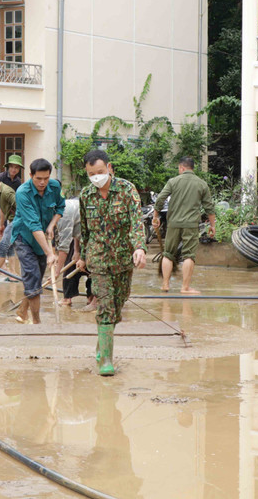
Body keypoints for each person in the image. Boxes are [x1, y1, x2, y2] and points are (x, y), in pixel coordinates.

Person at [76, 150, 147, 376]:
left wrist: (139, 248)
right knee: (105, 306)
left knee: (117, 306)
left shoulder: (127, 190)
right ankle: (106, 360)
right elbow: (85, 229)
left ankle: (101, 346)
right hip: (98, 260)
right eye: (91, 174)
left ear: (110, 168)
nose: (96, 177)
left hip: (124, 259)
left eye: (99, 172)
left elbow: (137, 222)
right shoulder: (86, 195)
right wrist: (83, 256)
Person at [10, 159, 65, 324]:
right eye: (38, 179)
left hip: (44, 239)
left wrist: (52, 224)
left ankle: (22, 310)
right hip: (24, 238)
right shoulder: (22, 193)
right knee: (33, 277)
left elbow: (60, 207)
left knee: (35, 280)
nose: (43, 183)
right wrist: (50, 253)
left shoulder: (55, 186)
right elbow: (33, 225)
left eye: (46, 178)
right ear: (30, 175)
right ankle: (37, 323)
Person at [153, 157, 217, 294]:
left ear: (182, 168)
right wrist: (213, 226)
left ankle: (165, 284)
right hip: (191, 224)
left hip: (173, 223)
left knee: (168, 253)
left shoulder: (173, 181)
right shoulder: (201, 184)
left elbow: (160, 199)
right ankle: (185, 287)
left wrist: (155, 216)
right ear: (191, 168)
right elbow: (209, 207)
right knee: (189, 255)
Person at [55, 197, 95, 310]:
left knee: (93, 268)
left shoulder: (63, 214)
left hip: (96, 239)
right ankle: (67, 297)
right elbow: (77, 231)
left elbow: (63, 248)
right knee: (71, 265)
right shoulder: (61, 211)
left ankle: (92, 297)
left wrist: (56, 272)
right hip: (82, 237)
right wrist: (77, 251)